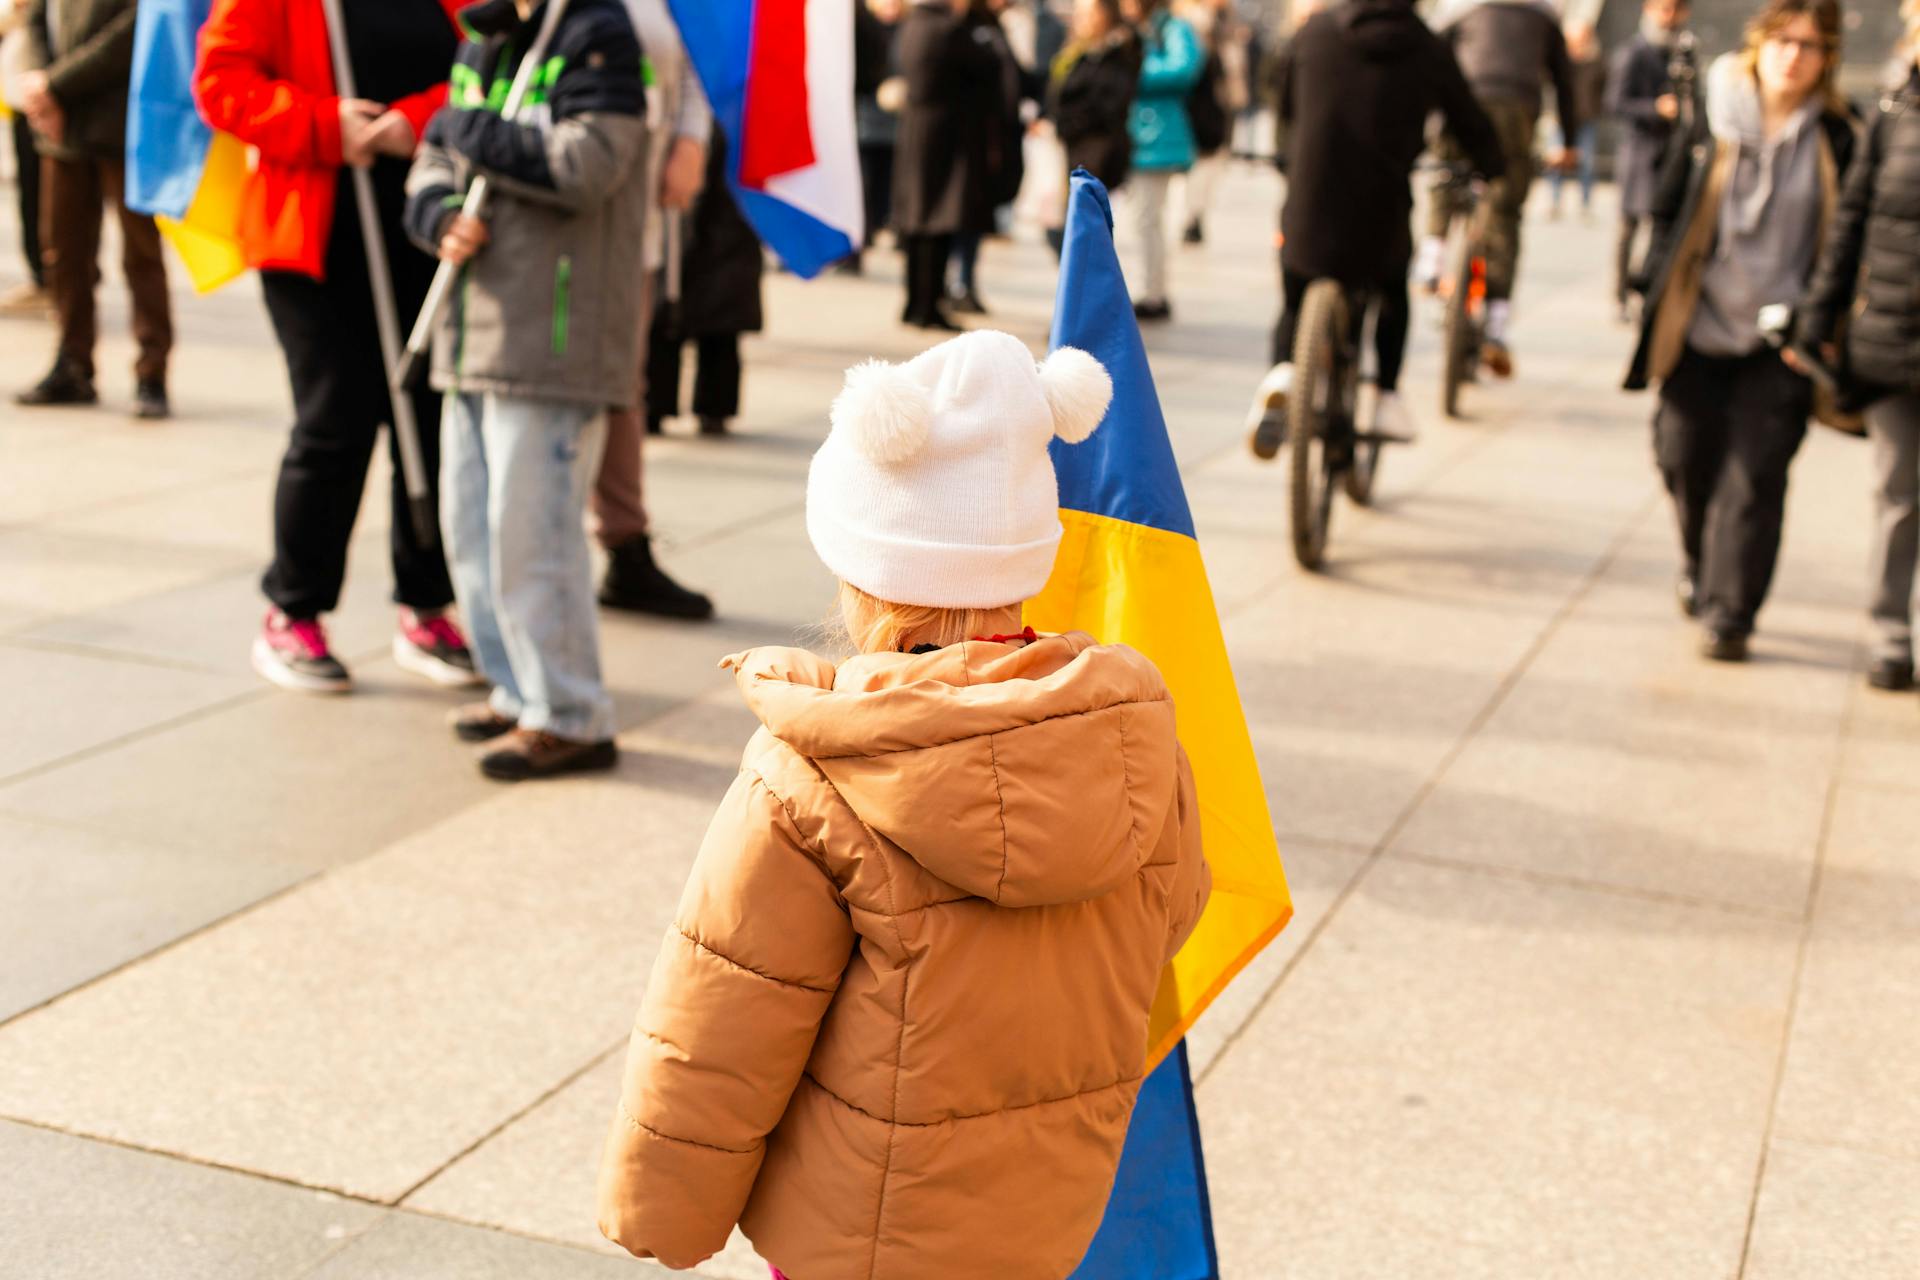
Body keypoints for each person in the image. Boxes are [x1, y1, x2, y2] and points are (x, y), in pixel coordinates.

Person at [595, 328, 1210, 1279]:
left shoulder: (812, 777)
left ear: (862, 576)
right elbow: (1172, 913)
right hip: (1047, 1219)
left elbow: (726, 1024)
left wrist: (660, 1216)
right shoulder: (1132, 738)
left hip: (856, 1240)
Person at [196, 0, 478, 695]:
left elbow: (492, 72)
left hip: (428, 229)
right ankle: (294, 610)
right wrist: (323, 125)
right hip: (315, 233)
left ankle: (426, 604)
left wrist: (413, 123)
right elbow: (220, 80)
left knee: (431, 421)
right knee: (336, 420)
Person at [403, 0, 648, 779]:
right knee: (472, 532)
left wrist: (457, 130)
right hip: (473, 325)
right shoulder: (485, 42)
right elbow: (433, 166)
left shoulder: (596, 32)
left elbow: (590, 165)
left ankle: (570, 713)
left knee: (533, 539)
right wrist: (435, 212)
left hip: (554, 334)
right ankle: (516, 689)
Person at [1624, 0, 1858, 664]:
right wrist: (1647, 283)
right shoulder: (1715, 110)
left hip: (1780, 338)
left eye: (1811, 46)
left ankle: (1732, 613)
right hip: (1699, 321)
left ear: (1828, 58)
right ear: (1760, 42)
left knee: (1755, 477)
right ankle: (1700, 561)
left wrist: (1819, 322)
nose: (1795, 56)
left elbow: (1845, 239)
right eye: (1784, 40)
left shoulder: (1838, 134)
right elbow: (1671, 201)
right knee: (1681, 455)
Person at [1248, 0, 1502, 456]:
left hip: (1310, 205)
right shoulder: (1425, 45)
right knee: (1390, 289)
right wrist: (1493, 165)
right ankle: (1384, 394)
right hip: (1379, 215)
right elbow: (1467, 118)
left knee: (1295, 284)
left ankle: (1284, 370)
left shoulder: (1315, 31)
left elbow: (1281, 98)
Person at [1794, 2, 1920, 692]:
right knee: (1899, 491)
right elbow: (1851, 219)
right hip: (1895, 336)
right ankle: (1891, 630)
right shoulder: (1894, 113)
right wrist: (1819, 316)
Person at [591, 0, 716, 620]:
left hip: (632, 229)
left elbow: (694, 65)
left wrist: (690, 139)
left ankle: (622, 543)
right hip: (555, 231)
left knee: (621, 389)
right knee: (553, 399)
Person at [14, 0, 171, 418]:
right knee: (64, 254)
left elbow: (134, 30)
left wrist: (56, 85)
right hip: (60, 124)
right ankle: (72, 364)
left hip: (122, 121)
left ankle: (151, 371)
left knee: (141, 254)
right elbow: (31, 15)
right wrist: (40, 86)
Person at [1416, 0, 1579, 379]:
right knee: (1504, 212)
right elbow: (1563, 80)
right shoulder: (1544, 13)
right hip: (1516, 105)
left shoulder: (1462, 6)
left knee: (1446, 172)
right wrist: (1568, 143)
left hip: (1464, 93)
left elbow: (1431, 52)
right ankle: (1497, 325)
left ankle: (1432, 255)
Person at [646, 131, 762, 438]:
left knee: (711, 329)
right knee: (667, 322)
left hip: (723, 228)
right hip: (697, 225)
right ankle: (663, 405)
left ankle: (701, 407)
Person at [894, 0, 997, 330]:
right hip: (943, 136)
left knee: (916, 222)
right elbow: (987, 68)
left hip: (914, 131)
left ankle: (914, 302)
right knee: (936, 221)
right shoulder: (951, 29)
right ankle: (928, 306)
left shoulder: (913, 24)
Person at [1608, 0, 1692, 321]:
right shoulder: (1634, 52)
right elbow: (1615, 102)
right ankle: (1619, 295)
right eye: (1664, 9)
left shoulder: (1685, 52)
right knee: (1628, 227)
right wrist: (1655, 108)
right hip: (1640, 153)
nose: (1669, 17)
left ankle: (1649, 291)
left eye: (1676, 9)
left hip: (1672, 154)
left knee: (1662, 227)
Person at [1121, 0, 1200, 321]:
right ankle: (1150, 288)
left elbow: (1184, 67)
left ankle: (1151, 293)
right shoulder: (1139, 29)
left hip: (1160, 138)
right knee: (1143, 219)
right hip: (1138, 135)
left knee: (1147, 219)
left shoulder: (1174, 28)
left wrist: (1135, 70)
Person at [946, 0, 1023, 316]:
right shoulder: (960, 27)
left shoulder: (993, 27)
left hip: (990, 136)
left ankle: (965, 280)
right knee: (959, 215)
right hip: (964, 137)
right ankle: (955, 282)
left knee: (975, 215)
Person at [1049, 0, 1141, 197]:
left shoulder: (1120, 52)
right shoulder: (1077, 53)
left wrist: (1072, 122)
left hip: (1100, 156)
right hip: (1074, 150)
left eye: (1088, 14)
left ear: (1105, 15)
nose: (1081, 20)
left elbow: (1107, 104)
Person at [1175, 0, 1239, 245]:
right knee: (1199, 166)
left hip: (1218, 103)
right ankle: (1191, 217)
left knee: (1211, 166)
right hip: (1200, 105)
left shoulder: (1225, 21)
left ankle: (1196, 215)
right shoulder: (1192, 22)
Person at [0, 0, 50, 314]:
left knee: (58, 203)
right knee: (31, 194)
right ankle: (43, 277)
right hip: (24, 93)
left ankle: (58, 283)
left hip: (58, 93)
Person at [848, 0, 904, 276]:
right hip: (864, 118)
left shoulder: (896, 28)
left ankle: (866, 233)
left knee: (875, 183)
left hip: (881, 120)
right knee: (865, 183)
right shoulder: (864, 22)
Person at [1550, 19, 1606, 221]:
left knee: (1587, 163)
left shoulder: (1596, 62)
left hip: (1587, 118)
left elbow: (1602, 89)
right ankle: (1554, 202)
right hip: (1561, 119)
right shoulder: (1561, 61)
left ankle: (1585, 203)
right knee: (1556, 162)